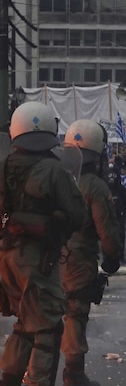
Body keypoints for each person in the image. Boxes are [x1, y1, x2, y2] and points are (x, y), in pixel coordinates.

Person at [0, 101, 87, 386]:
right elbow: (77, 216)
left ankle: (9, 378)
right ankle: (38, 381)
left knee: (25, 323)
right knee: (48, 327)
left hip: (5, 255)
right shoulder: (55, 170)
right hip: (39, 258)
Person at [60, 120, 123, 386]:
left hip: (45, 258)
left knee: (42, 316)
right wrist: (112, 258)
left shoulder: (53, 175)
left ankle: (36, 373)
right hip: (78, 262)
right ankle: (73, 374)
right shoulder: (95, 186)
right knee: (74, 315)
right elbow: (106, 229)